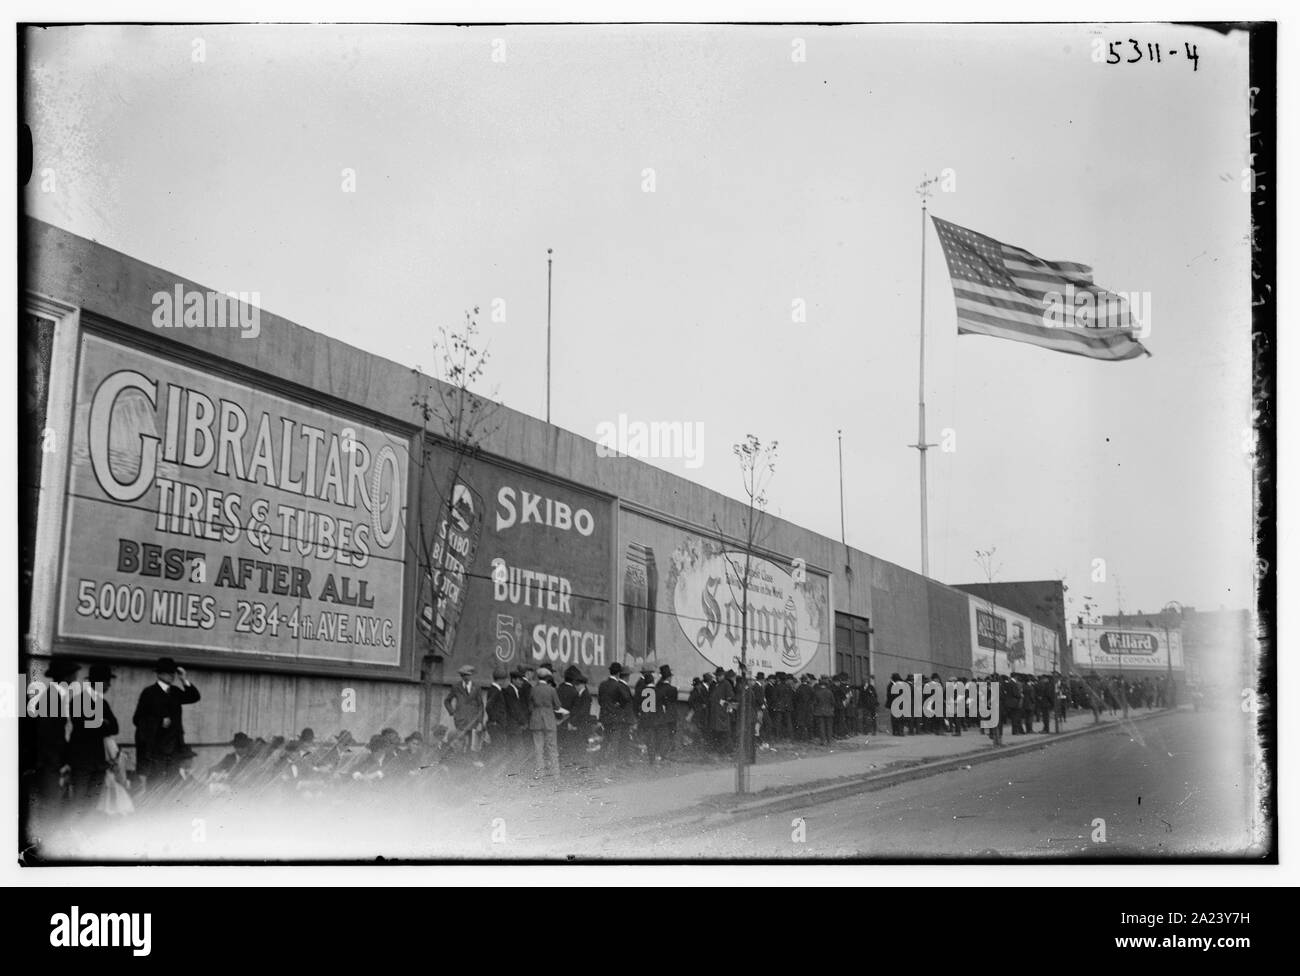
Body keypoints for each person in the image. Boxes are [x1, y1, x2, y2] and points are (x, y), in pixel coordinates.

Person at [132, 657, 201, 788]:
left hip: (175, 747)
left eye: (173, 672)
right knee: (156, 783)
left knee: (173, 784)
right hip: (157, 748)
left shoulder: (175, 691)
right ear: (159, 674)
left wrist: (184, 679)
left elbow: (194, 697)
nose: (172, 675)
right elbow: (138, 719)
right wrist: (159, 722)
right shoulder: (149, 693)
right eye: (168, 672)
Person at [67, 662, 121, 812]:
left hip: (98, 761)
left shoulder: (103, 703)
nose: (109, 685)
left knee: (92, 803)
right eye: (107, 681)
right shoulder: (78, 700)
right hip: (82, 760)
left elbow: (115, 728)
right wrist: (102, 723)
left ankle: (85, 832)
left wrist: (98, 723)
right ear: (97, 682)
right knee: (78, 801)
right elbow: (82, 726)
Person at [528, 666, 563, 779]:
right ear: (548, 677)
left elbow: (530, 706)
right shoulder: (551, 690)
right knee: (552, 748)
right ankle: (555, 773)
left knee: (538, 749)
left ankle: (540, 773)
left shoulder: (533, 689)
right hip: (549, 721)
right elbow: (558, 706)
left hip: (536, 721)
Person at [597, 662, 634, 765]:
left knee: (605, 740)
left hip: (604, 716)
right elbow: (627, 699)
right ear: (618, 673)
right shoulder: (618, 686)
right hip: (615, 717)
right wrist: (618, 704)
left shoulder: (602, 684)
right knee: (614, 740)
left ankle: (600, 760)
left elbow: (600, 701)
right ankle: (612, 763)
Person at [653, 665, 678, 761]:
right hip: (670, 717)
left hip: (658, 716)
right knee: (668, 736)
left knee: (659, 735)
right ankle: (663, 755)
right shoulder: (672, 689)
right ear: (669, 677)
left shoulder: (657, 687)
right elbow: (673, 703)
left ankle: (658, 754)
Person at [812, 677, 835, 746]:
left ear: (819, 685)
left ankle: (823, 740)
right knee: (829, 727)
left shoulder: (817, 692)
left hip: (819, 712)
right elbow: (833, 702)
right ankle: (829, 741)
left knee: (821, 727)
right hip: (829, 711)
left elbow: (814, 702)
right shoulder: (829, 692)